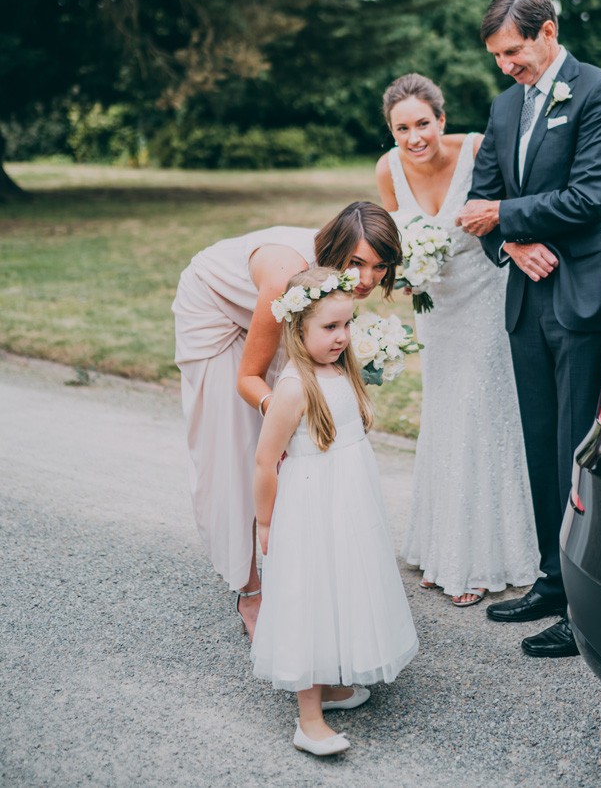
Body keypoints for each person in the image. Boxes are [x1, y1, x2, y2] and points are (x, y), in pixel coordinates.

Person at [457, 0, 601, 658]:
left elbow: (588, 198)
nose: (506, 66)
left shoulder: (600, 93)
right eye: (497, 56)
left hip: (582, 294)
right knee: (538, 444)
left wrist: (504, 217)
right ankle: (551, 580)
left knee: (575, 451)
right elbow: (481, 200)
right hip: (527, 300)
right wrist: (508, 241)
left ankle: (586, 609)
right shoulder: (504, 107)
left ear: (548, 32)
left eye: (513, 51)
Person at [172, 202, 402, 639]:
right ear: (335, 250)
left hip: (274, 314)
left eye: (380, 266)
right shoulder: (286, 276)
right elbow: (249, 378)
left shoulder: (340, 281)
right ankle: (251, 590)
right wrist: (282, 412)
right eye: (356, 263)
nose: (368, 279)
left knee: (294, 452)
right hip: (216, 313)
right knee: (240, 447)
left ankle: (297, 569)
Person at [376, 73, 537, 606]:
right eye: (402, 128)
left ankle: (477, 562)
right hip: (437, 311)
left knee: (482, 415)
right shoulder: (388, 168)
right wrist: (399, 275)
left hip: (488, 299)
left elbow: (513, 211)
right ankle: (441, 544)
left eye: (423, 123)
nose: (414, 137)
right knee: (444, 416)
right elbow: (390, 244)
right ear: (391, 131)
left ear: (442, 120)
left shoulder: (477, 149)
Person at [250, 266, 418, 755]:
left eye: (347, 324)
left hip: (348, 502)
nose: (343, 336)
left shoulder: (340, 371)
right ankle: (308, 718)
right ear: (297, 328)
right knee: (312, 593)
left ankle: (337, 685)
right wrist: (265, 521)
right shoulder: (293, 389)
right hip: (308, 506)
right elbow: (265, 461)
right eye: (329, 327)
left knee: (345, 583)